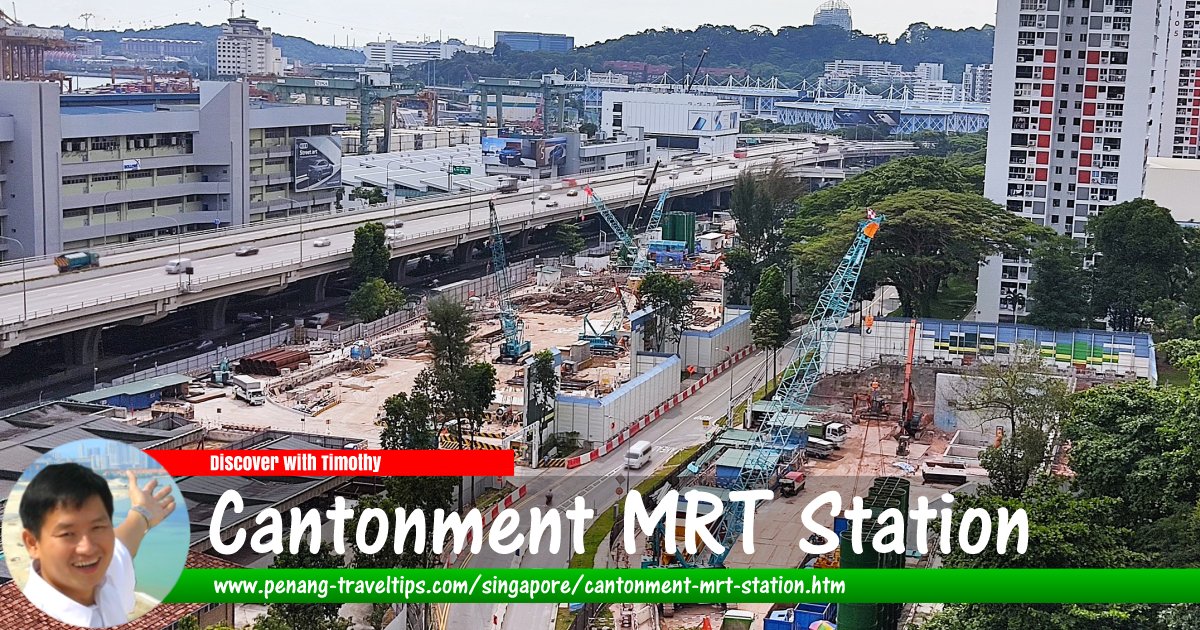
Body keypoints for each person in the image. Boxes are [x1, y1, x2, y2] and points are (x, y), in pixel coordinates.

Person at [18, 463, 176, 628]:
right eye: (67, 534)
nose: (88, 548)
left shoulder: (102, 577)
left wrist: (143, 513)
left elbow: (122, 545)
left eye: (97, 527)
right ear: (32, 543)